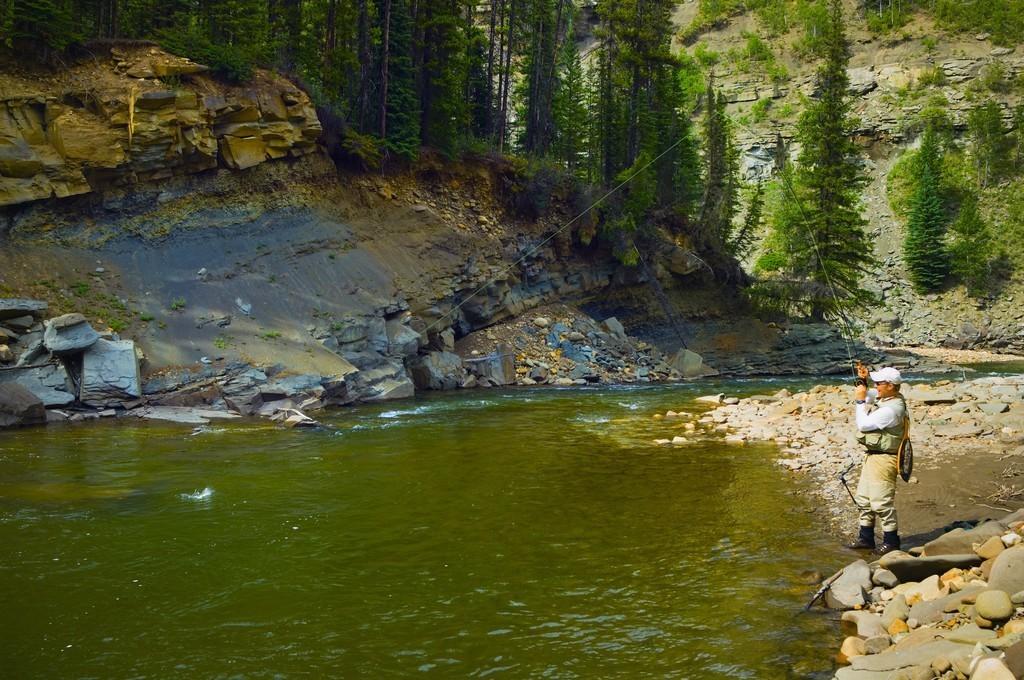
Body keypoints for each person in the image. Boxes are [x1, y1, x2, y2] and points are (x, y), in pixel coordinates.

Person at [847, 364, 909, 555]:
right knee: (864, 500)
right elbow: (870, 394)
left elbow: (863, 425)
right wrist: (863, 381)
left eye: (879, 383)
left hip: (885, 460)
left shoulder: (891, 410)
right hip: (874, 457)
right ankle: (866, 539)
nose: (876, 386)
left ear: (890, 385)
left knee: (881, 502)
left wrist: (859, 401)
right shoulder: (891, 397)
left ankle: (891, 542)